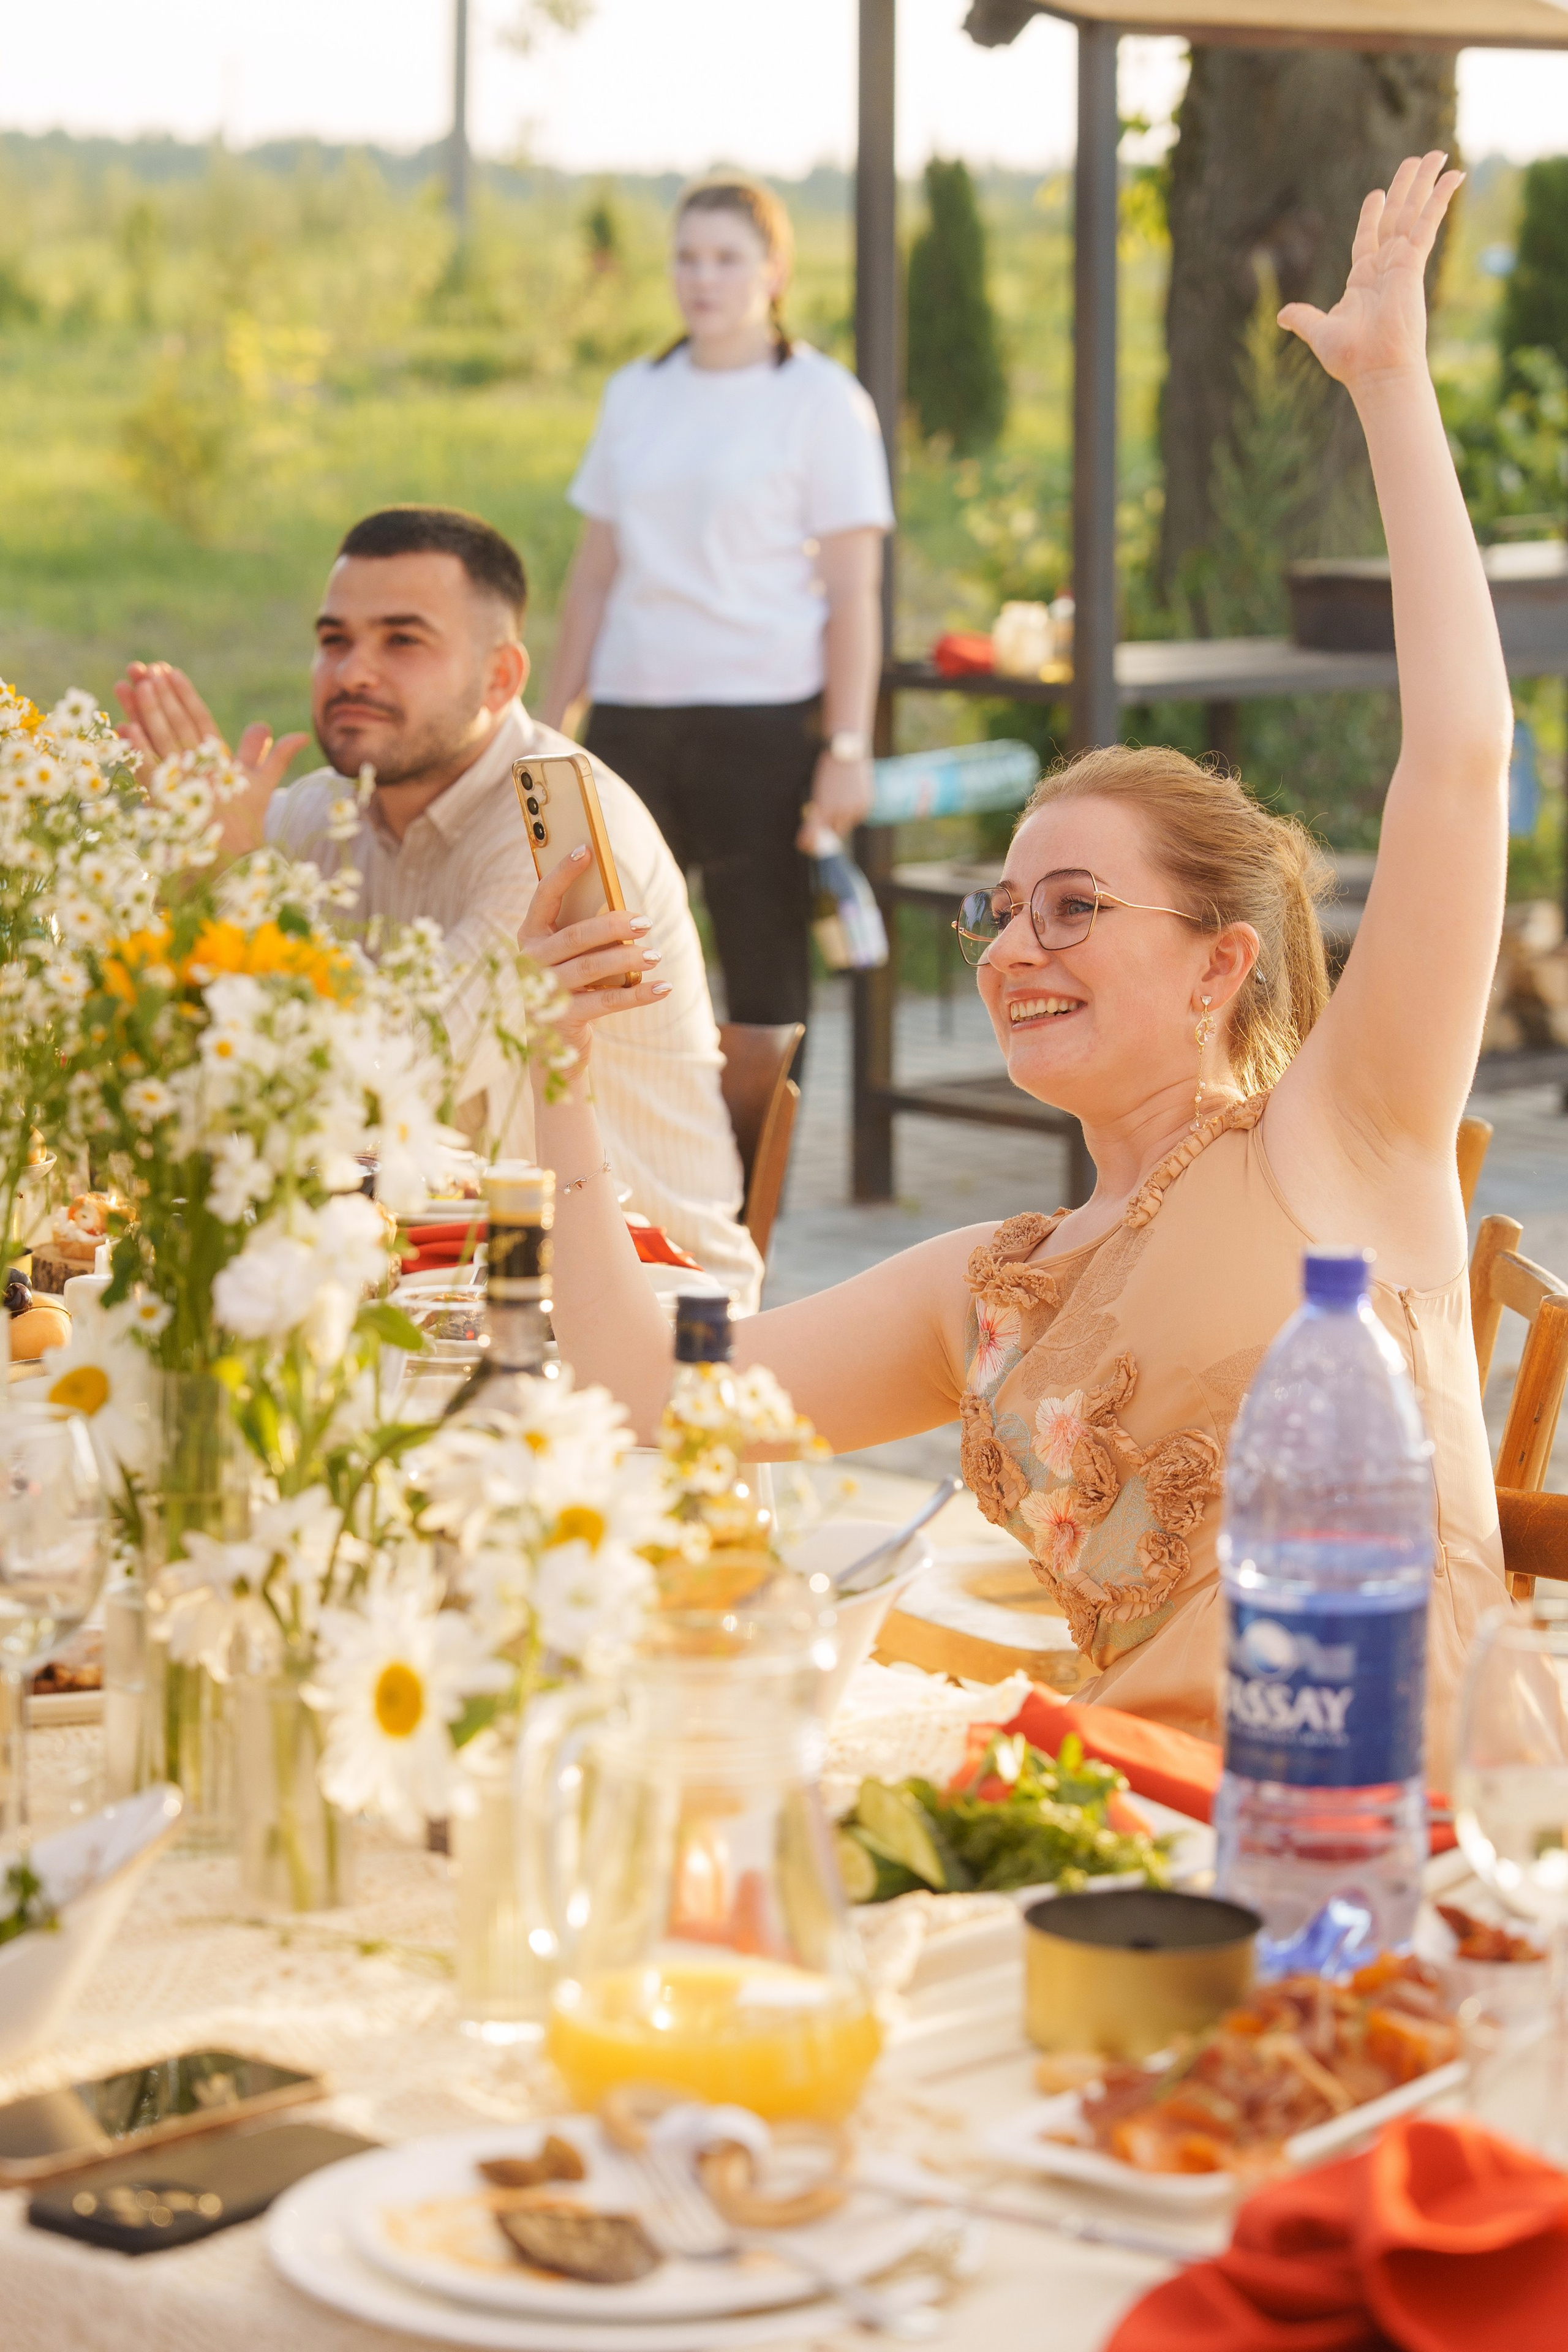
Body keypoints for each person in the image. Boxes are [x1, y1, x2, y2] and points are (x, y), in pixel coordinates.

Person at [522, 157, 1509, 1779]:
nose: (1015, 951)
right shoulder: (989, 1284)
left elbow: (1460, 763)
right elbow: (661, 1392)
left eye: (1073, 910)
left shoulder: (1344, 1143)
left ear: (1218, 969)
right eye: (1003, 912)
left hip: (1407, 1852)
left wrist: (1390, 387)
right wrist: (554, 1083)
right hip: (1138, 1841)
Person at [113, 505, 764, 1308]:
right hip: (420, 1286)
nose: (353, 671)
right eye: (333, 640)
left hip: (640, 1307)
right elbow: (184, 1052)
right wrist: (192, 868)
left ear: (501, 677)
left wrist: (242, 874)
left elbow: (389, 1075)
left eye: (402, 640)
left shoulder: (559, 828)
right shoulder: (317, 814)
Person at [543, 173, 894, 1041]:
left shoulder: (821, 401)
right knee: (610, 961)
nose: (704, 278)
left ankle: (755, 1180)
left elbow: (854, 592)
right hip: (630, 718)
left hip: (762, 724)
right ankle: (629, 1170)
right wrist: (550, 727)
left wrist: (848, 747)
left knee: (763, 978)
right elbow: (593, 578)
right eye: (688, 258)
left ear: (774, 273)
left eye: (728, 259)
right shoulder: (636, 392)